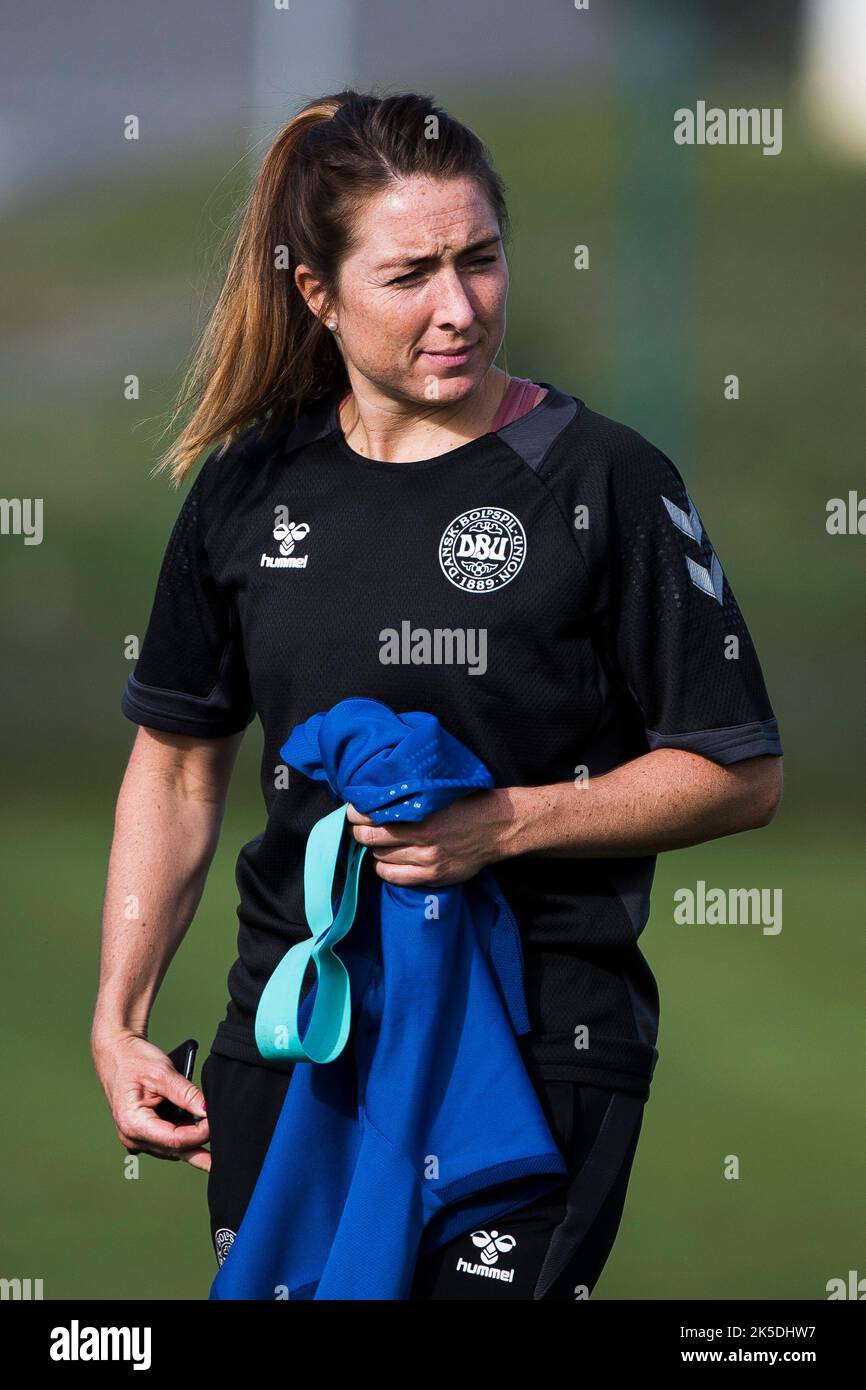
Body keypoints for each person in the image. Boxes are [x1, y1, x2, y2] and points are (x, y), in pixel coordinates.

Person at [91, 89, 784, 1301]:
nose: (458, 307)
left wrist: (502, 824)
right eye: (410, 274)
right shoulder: (249, 485)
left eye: (479, 259)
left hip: (534, 1050)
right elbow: (177, 760)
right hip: (298, 1040)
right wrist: (120, 1014)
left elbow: (735, 768)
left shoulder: (598, 479)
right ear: (318, 293)